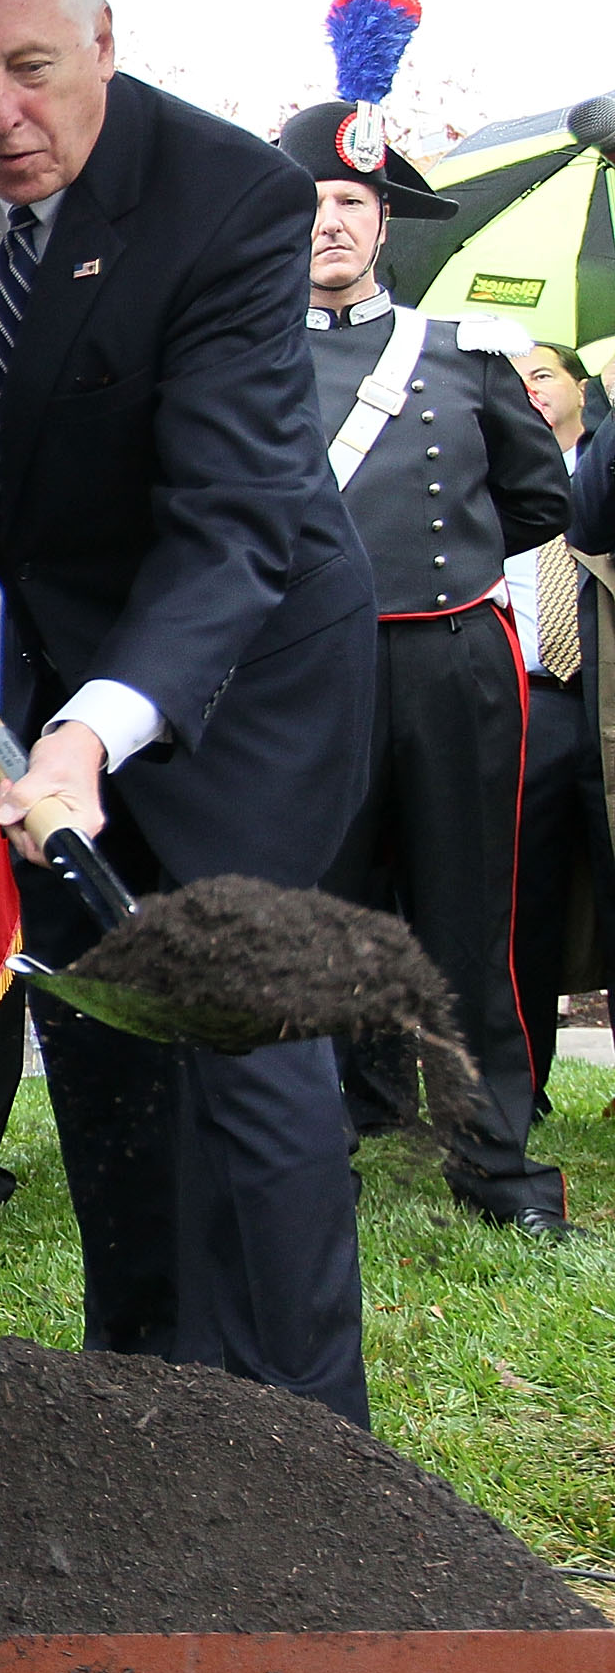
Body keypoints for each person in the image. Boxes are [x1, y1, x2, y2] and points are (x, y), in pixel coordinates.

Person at [0, 0, 380, 1426]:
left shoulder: (230, 195)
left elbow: (234, 526)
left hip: (250, 663)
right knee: (97, 1021)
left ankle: (302, 1444)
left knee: (239, 1027)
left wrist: (92, 734)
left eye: (30, 67)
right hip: (69, 664)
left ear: (102, 39)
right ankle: (148, 1410)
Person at [283, 97, 571, 1238]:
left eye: (350, 202)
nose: (330, 224)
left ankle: (493, 1156)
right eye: (307, 206)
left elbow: (539, 497)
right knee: (317, 916)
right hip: (311, 675)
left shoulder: (464, 356)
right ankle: (321, 1144)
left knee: (469, 915)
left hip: (453, 663)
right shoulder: (239, 365)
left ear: (384, 221)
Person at [510, 341, 613, 1117]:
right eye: (513, 380)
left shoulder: (603, 464)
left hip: (606, 698)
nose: (528, 388)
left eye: (543, 373)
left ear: (584, 388)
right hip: (530, 702)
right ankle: (523, 1080)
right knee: (527, 895)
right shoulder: (486, 477)